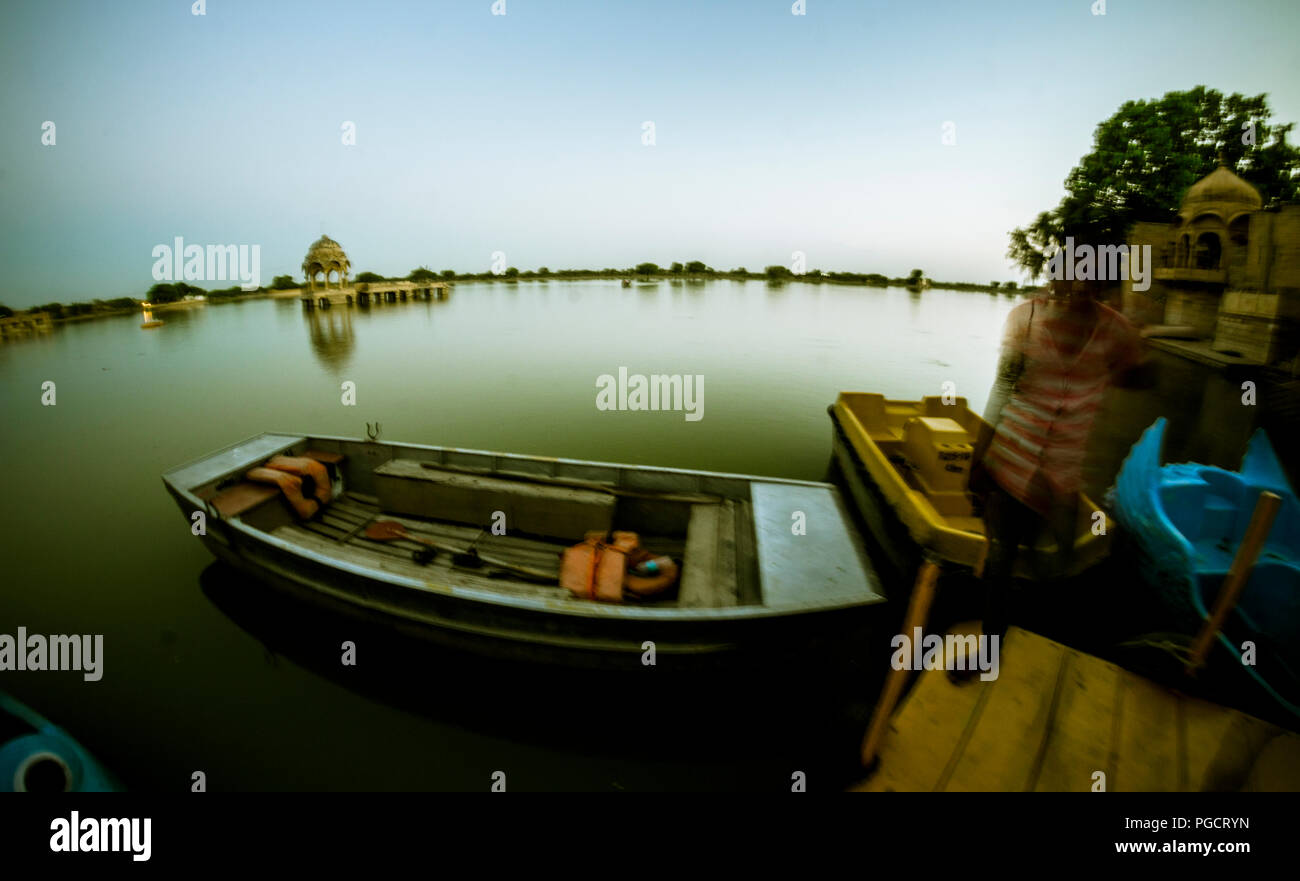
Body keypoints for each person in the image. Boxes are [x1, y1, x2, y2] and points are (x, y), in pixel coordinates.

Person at [971, 275, 1152, 642]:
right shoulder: (1026, 318)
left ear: (1101, 287)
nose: (1075, 289)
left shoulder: (1115, 330)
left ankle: (1047, 630)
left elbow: (1135, 377)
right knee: (1002, 553)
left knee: (1061, 554)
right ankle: (990, 643)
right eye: (1067, 279)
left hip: (1065, 466)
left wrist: (1140, 355)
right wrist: (978, 458)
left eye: (1088, 282)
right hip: (1014, 453)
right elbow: (1004, 384)